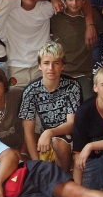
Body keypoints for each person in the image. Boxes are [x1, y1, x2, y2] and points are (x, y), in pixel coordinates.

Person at [19, 42, 81, 171]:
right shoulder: (30, 91)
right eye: (46, 63)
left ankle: (63, 177)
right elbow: (28, 132)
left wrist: (50, 132)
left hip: (69, 136)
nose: (51, 68)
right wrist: (36, 164)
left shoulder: (72, 86)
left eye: (56, 63)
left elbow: (71, 124)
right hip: (45, 138)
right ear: (39, 65)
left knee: (59, 142)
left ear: (63, 66)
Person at [50, 0, 103, 96]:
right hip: (60, 73)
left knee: (86, 104)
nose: (74, 3)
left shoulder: (92, 16)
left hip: (84, 74)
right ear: (64, 0)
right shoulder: (55, 15)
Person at [6, 0, 58, 89]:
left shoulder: (46, 8)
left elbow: (76, 2)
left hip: (40, 67)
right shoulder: (9, 6)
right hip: (15, 67)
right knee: (14, 100)